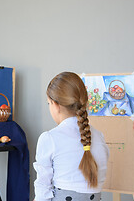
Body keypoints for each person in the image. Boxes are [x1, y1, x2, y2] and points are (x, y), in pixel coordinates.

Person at [34, 72, 109, 201]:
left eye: (49, 104)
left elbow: (43, 188)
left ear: (55, 105)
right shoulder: (99, 137)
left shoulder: (49, 138)